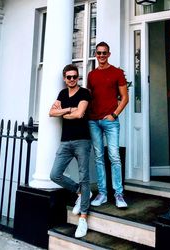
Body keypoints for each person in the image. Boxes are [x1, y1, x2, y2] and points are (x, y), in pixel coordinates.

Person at [50, 64, 92, 238]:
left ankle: (83, 218)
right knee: (55, 174)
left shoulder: (84, 93)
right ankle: (81, 192)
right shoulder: (62, 94)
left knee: (84, 176)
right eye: (69, 77)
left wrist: (65, 113)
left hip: (82, 140)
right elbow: (51, 112)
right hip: (65, 141)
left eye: (75, 77)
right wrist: (67, 110)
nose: (73, 80)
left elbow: (80, 114)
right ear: (64, 78)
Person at [87, 41, 129, 208]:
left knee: (114, 156)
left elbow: (125, 97)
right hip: (93, 121)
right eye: (99, 53)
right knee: (98, 158)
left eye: (104, 53)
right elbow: (89, 97)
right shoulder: (91, 75)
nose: (101, 56)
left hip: (110, 121)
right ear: (96, 55)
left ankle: (118, 194)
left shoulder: (117, 72)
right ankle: (102, 193)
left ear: (109, 54)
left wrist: (114, 114)